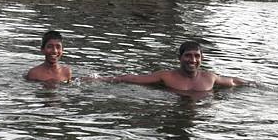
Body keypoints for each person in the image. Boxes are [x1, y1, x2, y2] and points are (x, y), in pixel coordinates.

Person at [103, 41, 250, 92]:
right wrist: (101, 79)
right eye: (188, 55)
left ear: (201, 59)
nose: (193, 60)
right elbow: (132, 79)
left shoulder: (210, 78)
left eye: (197, 56)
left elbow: (233, 81)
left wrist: (254, 84)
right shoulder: (166, 76)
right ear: (179, 58)